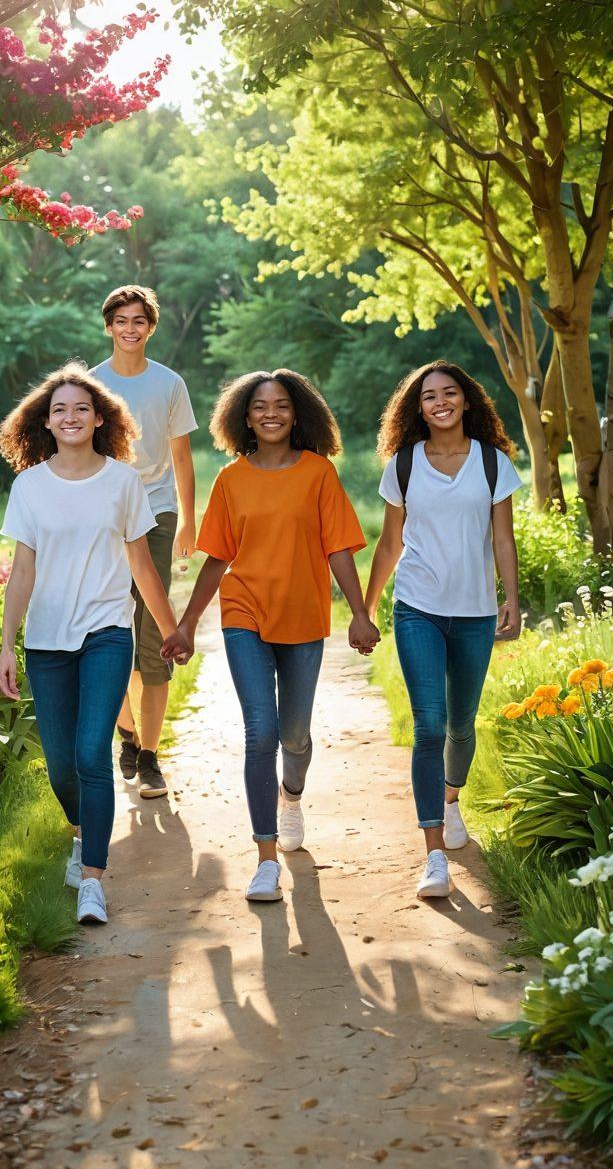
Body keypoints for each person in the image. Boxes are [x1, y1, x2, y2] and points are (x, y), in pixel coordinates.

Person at [162, 369, 379, 903]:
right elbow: (217, 559)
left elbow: (338, 550)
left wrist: (360, 612)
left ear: (297, 412)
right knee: (260, 732)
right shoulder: (231, 480)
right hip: (245, 613)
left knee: (294, 737)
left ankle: (291, 796)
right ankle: (265, 858)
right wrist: (187, 623)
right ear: (244, 415)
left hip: (304, 617)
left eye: (281, 404)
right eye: (260, 405)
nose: (271, 413)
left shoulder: (318, 473)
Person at [0, 363, 185, 927]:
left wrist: (170, 627)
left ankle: (94, 882)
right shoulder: (29, 486)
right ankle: (82, 835)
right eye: (59, 410)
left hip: (107, 631)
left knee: (90, 755)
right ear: (45, 423)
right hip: (47, 641)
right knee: (60, 769)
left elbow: (142, 565)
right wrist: (8, 646)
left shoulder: (123, 482)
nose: (70, 416)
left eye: (81, 408)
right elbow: (21, 571)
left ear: (100, 417)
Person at [363, 361, 522, 901]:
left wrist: (512, 598)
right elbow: (390, 544)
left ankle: (451, 800)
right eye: (428, 396)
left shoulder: (493, 464)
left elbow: (503, 538)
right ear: (418, 409)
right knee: (429, 724)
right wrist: (365, 608)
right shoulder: (403, 466)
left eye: (449, 392)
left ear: (467, 401)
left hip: (475, 611)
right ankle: (433, 855)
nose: (439, 402)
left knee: (461, 724)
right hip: (418, 606)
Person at [91, 286, 198, 800]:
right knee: (107, 627)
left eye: (139, 321)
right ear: (108, 325)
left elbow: (181, 456)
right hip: (105, 516)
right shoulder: (91, 384)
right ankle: (126, 731)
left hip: (156, 510)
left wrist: (187, 521)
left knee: (153, 634)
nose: (130, 328)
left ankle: (151, 755)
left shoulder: (169, 383)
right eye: (121, 320)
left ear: (150, 328)